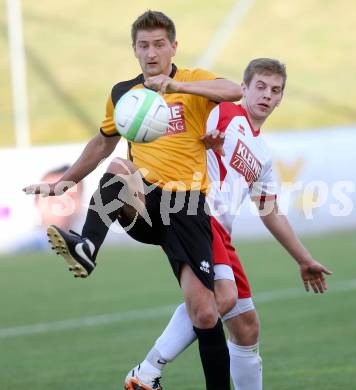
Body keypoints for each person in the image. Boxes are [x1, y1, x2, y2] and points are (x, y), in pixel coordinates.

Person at [23, 10, 242, 390]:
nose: (152, 52)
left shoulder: (192, 81)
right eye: (144, 45)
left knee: (205, 313)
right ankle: (88, 244)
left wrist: (177, 88)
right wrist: (67, 181)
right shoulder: (124, 93)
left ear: (174, 47)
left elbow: (234, 90)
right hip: (145, 203)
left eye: (160, 44)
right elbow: (104, 141)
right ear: (134, 50)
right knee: (121, 164)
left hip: (187, 207)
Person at [124, 58, 333, 390]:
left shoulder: (263, 155)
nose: (266, 95)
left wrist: (304, 259)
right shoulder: (223, 111)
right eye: (260, 87)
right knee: (222, 299)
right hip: (196, 212)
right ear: (244, 88)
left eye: (275, 90)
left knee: (246, 326)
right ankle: (146, 371)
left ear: (280, 98)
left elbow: (270, 210)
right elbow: (180, 124)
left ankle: (148, 371)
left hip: (221, 231)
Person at [16, 165, 84, 251]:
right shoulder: (16, 250)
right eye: (54, 198)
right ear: (37, 202)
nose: (62, 206)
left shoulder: (100, 246)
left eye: (70, 198)